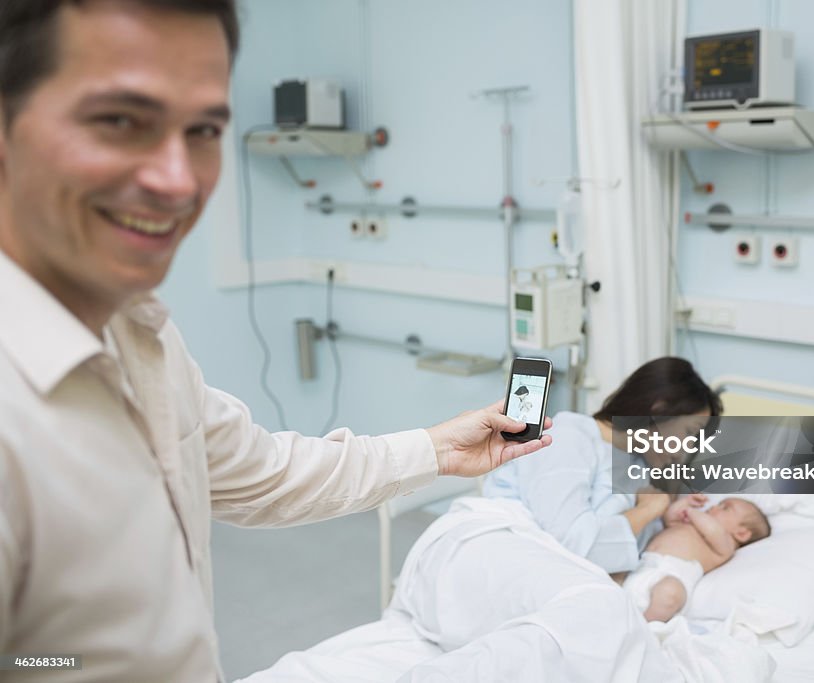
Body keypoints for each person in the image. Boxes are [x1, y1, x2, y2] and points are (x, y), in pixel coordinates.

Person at [0, 1, 550, 681]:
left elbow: (265, 471)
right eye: (120, 121)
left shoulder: (142, 337)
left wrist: (438, 448)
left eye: (202, 129)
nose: (177, 179)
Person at [483, 356, 722, 573]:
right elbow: (570, 547)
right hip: (502, 559)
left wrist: (666, 515)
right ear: (659, 409)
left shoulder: (636, 463)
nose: (688, 448)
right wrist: (648, 510)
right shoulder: (569, 438)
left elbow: (630, 543)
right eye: (691, 433)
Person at [621, 493, 771, 622]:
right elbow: (669, 517)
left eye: (725, 508)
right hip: (642, 568)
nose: (713, 507)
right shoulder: (690, 524)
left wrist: (691, 512)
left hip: (673, 575)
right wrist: (685, 503)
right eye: (719, 504)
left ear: (742, 534)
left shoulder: (725, 545)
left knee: (669, 593)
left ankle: (644, 625)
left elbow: (713, 529)